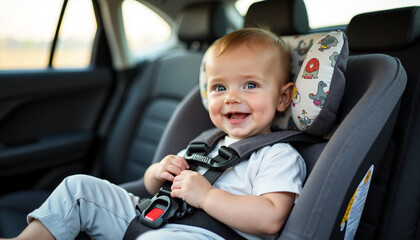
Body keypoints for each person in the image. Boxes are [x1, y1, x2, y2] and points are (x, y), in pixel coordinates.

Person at [1, 27, 306, 240]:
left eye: (250, 85)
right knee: (77, 188)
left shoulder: (277, 155)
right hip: (152, 215)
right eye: (219, 87)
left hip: (207, 234)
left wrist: (207, 196)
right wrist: (159, 171)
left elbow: (270, 218)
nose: (231, 97)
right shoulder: (208, 142)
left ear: (282, 98)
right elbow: (150, 185)